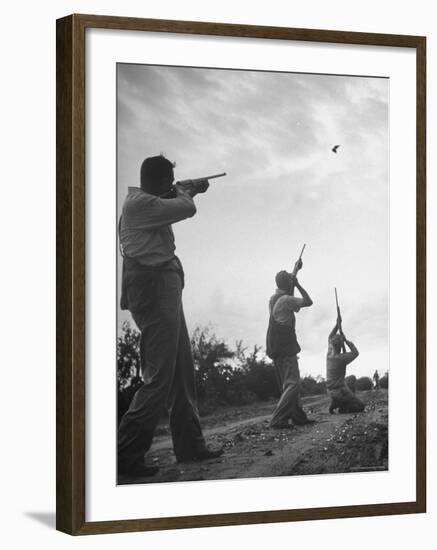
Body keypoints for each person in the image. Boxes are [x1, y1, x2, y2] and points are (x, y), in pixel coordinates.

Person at [117, 154, 223, 478]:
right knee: (160, 376)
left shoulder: (147, 202)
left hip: (162, 287)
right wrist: (188, 192)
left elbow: (174, 205)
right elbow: (186, 208)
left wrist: (183, 190)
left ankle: (190, 445)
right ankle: (125, 454)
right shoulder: (139, 205)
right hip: (153, 288)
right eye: (169, 181)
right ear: (162, 181)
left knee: (181, 372)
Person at [266, 262, 316, 428]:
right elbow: (308, 301)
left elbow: (287, 291)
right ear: (288, 284)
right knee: (293, 384)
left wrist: (295, 271)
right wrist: (298, 283)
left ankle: (298, 417)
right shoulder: (286, 300)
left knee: (289, 383)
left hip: (275, 348)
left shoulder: (274, 299)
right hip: (285, 347)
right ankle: (278, 420)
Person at [326, 316, 364, 414]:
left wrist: (337, 324)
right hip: (339, 391)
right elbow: (356, 352)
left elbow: (330, 337)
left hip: (330, 390)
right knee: (360, 406)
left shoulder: (330, 353)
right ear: (340, 345)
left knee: (351, 378)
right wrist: (346, 340)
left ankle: (337, 401)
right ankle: (342, 405)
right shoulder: (341, 359)